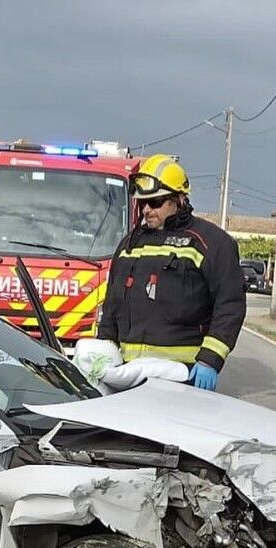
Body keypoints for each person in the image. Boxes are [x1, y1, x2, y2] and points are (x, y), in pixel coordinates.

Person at [96, 154, 245, 391]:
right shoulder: (129, 245)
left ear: (179, 199)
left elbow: (230, 305)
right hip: (127, 375)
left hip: (181, 376)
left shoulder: (212, 243)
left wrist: (210, 359)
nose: (146, 210)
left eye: (155, 202)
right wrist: (103, 351)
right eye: (142, 203)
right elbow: (112, 305)